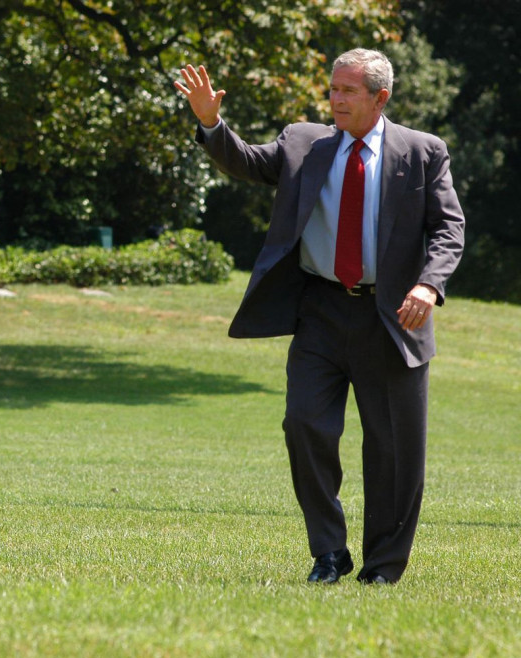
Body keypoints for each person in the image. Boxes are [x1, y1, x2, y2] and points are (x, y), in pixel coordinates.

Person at [174, 49, 465, 584]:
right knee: (304, 424)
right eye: (333, 89)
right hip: (321, 314)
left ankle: (382, 567)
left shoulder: (424, 153)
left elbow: (449, 230)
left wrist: (429, 284)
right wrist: (211, 122)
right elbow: (247, 161)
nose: (335, 99)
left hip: (394, 317)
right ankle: (329, 552)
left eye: (348, 91)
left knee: (394, 451)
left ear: (380, 98)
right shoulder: (303, 142)